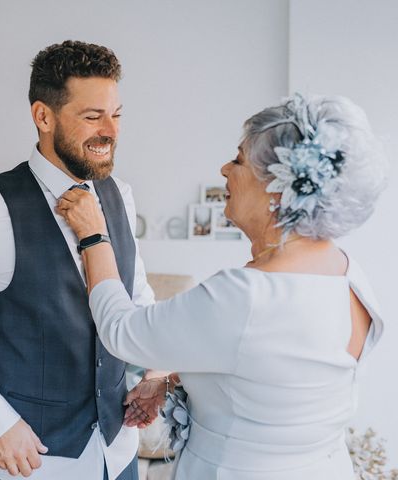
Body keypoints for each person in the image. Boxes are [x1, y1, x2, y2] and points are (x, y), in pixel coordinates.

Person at [56, 94, 387, 479]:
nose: (225, 169)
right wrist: (167, 380)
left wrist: (94, 234)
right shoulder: (347, 274)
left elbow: (121, 330)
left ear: (277, 189)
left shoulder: (247, 296)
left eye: (240, 160)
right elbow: (271, 370)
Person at [0, 40, 155, 480]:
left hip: (118, 451)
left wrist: (152, 369)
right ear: (43, 116)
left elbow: (136, 295)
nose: (109, 130)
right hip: (29, 463)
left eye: (116, 114)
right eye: (92, 116)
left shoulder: (121, 196)